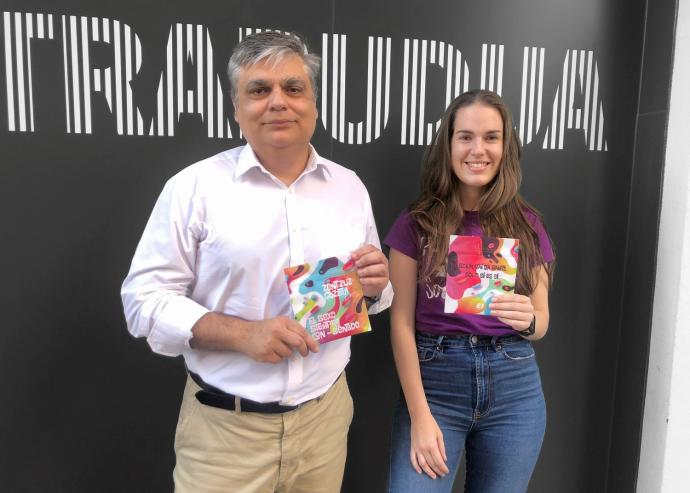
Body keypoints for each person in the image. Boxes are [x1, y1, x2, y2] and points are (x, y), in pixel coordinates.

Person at [121, 31, 391, 493]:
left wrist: (375, 286)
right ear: (236, 108)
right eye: (259, 90)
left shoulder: (349, 188)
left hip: (325, 422)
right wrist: (242, 335)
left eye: (293, 88)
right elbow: (142, 303)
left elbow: (376, 297)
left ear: (314, 103)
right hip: (226, 435)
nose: (278, 102)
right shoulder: (194, 188)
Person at [384, 89, 555, 493]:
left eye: (491, 137)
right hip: (435, 386)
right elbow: (400, 324)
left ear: (505, 146)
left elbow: (543, 321)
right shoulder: (416, 223)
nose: (478, 150)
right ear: (448, 144)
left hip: (515, 388)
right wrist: (420, 415)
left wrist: (529, 320)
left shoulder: (528, 224)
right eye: (465, 136)